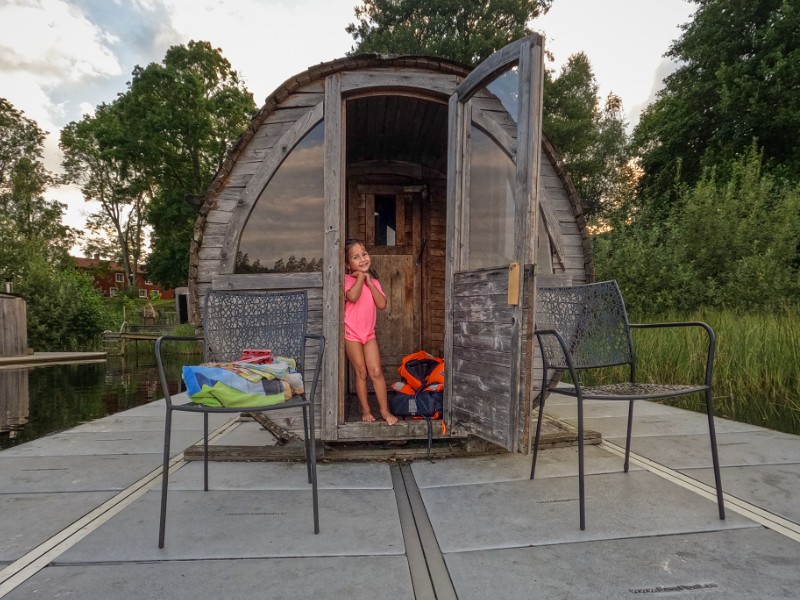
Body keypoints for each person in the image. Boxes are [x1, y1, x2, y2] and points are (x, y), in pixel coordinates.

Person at [343, 239, 398, 425]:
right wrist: (359, 278)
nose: (363, 259)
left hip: (369, 334)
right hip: (351, 334)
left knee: (376, 371)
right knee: (361, 372)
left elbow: (382, 304)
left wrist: (369, 282)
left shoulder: (373, 281)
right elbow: (352, 296)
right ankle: (365, 410)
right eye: (356, 257)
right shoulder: (346, 280)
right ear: (347, 264)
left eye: (364, 254)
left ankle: (384, 410)